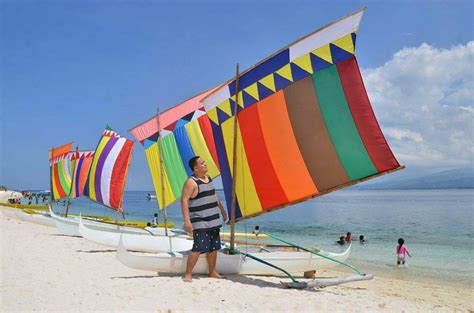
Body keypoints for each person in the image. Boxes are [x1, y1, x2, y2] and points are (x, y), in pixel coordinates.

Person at [181, 156, 227, 282]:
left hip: (213, 219)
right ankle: (188, 274)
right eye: (202, 163)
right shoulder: (191, 182)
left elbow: (214, 195)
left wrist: (222, 210)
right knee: (198, 248)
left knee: (213, 248)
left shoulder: (209, 178)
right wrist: (187, 221)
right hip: (200, 220)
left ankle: (212, 271)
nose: (205, 164)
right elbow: (184, 200)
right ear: (195, 168)